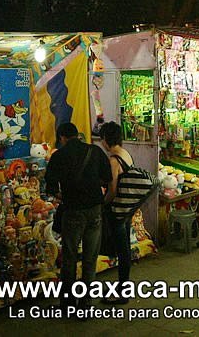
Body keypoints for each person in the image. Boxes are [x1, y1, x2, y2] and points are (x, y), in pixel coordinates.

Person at [45, 122, 112, 314]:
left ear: (62, 138)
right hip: (94, 210)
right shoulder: (95, 151)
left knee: (70, 258)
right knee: (90, 259)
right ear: (78, 135)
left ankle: (67, 305)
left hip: (73, 210)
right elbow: (106, 177)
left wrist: (64, 195)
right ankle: (86, 305)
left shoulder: (59, 156)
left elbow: (50, 187)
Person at [99, 121, 134, 305]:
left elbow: (112, 190)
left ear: (105, 139)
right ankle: (122, 288)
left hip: (119, 210)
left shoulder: (114, 159)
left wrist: (103, 205)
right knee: (124, 248)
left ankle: (122, 292)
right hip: (127, 209)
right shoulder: (125, 154)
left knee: (122, 251)